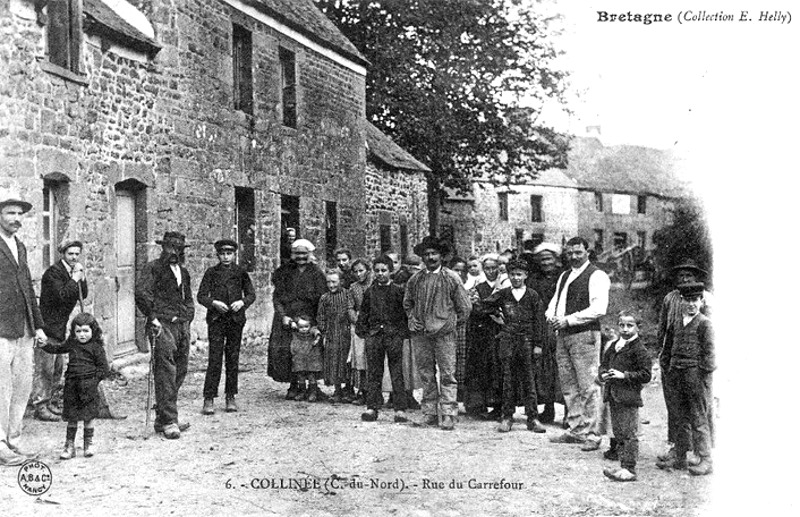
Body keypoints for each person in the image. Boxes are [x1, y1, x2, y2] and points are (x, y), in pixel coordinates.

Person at [547, 236, 611, 451]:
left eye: (578, 253)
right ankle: (576, 429)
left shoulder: (597, 275)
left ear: (587, 252)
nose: (573, 257)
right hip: (563, 335)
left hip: (585, 335)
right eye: (570, 253)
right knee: (569, 385)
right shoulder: (565, 275)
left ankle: (593, 433)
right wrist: (552, 316)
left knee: (589, 385)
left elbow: (599, 309)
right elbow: (555, 301)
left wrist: (568, 319)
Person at [403, 236, 472, 430]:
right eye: (426, 254)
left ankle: (449, 413)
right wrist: (412, 318)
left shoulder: (451, 278)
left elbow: (465, 308)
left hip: (444, 334)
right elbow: (407, 303)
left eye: (434, 253)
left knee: (448, 374)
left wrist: (451, 324)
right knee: (426, 373)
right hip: (421, 334)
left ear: (441, 256)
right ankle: (430, 413)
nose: (430, 257)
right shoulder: (416, 279)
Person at [0, 191, 48, 465]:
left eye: (20, 214)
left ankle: (13, 441)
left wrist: (38, 326)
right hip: (1, 328)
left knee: (21, 387)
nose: (16, 219)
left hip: (24, 329)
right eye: (11, 213)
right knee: (1, 389)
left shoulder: (20, 246)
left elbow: (28, 288)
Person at [474, 260, 546, 433]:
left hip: (527, 341)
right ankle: (507, 416)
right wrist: (496, 316)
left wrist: (538, 344)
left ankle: (533, 417)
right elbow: (482, 306)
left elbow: (539, 322)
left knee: (529, 380)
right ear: (508, 275)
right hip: (508, 341)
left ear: (525, 275)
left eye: (519, 274)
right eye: (512, 274)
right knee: (508, 379)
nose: (516, 278)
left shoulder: (533, 295)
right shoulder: (504, 294)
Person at [135, 231, 195, 439]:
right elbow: (142, 294)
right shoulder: (153, 268)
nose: (173, 252)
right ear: (163, 249)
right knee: (166, 371)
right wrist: (152, 318)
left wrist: (188, 316)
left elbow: (188, 298)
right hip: (161, 324)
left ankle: (162, 416)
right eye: (169, 248)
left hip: (181, 326)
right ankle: (169, 420)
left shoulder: (183, 272)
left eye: (177, 249)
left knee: (181, 369)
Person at [656, 258, 712, 463]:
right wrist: (663, 355)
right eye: (681, 276)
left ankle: (702, 453)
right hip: (673, 361)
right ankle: (678, 450)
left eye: (689, 276)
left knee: (699, 411)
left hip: (696, 366)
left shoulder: (705, 300)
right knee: (676, 409)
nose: (685, 279)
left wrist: (704, 368)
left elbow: (711, 341)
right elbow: (664, 328)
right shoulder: (670, 298)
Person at [38, 313, 111, 459]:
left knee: (88, 416)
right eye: (78, 331)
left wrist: (93, 381)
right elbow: (57, 348)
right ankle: (69, 445)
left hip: (89, 386)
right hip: (72, 384)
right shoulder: (72, 344)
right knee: (72, 416)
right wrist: (45, 345)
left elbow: (104, 369)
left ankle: (88, 444)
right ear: (73, 332)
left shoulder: (96, 347)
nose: (82, 335)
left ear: (93, 331)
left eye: (85, 331)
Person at [197, 239, 256, 415]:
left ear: (234, 254)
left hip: (235, 320)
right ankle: (209, 398)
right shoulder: (211, 273)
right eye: (222, 254)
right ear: (218, 255)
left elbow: (251, 294)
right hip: (216, 320)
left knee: (232, 359)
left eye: (229, 253)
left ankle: (230, 396)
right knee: (214, 359)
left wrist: (242, 302)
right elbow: (201, 296)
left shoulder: (241, 272)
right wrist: (214, 303)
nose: (226, 257)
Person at [32, 240, 88, 422]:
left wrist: (82, 278)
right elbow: (63, 296)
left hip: (60, 327)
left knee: (57, 368)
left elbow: (83, 293)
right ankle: (40, 406)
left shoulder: (72, 271)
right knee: (45, 368)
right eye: (70, 254)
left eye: (77, 254)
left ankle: (51, 403)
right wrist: (74, 279)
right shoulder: (53, 273)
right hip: (48, 326)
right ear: (63, 254)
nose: (74, 257)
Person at [268, 239, 327, 400]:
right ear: (293, 255)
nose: (300, 257)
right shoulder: (284, 271)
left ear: (309, 255)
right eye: (297, 254)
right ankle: (294, 385)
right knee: (288, 351)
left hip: (309, 320)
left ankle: (312, 387)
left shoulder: (316, 273)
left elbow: (322, 298)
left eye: (304, 254)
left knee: (310, 352)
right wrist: (283, 316)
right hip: (287, 319)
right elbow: (277, 298)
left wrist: (316, 323)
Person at [598, 311, 652, 482]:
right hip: (613, 395)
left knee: (629, 433)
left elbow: (646, 374)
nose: (625, 329)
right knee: (619, 433)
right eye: (622, 325)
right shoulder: (614, 345)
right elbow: (603, 366)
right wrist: (603, 375)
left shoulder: (639, 349)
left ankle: (629, 468)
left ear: (637, 328)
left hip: (628, 397)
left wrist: (624, 375)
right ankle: (623, 465)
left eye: (630, 325)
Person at [356, 255, 409, 423]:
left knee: (397, 372)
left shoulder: (398, 291)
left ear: (390, 271)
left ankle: (400, 408)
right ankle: (372, 407)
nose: (380, 274)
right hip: (375, 336)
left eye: (384, 270)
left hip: (393, 336)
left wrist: (401, 333)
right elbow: (363, 314)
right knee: (374, 372)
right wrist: (364, 331)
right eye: (377, 271)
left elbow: (404, 315)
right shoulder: (370, 292)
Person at [525, 242, 565, 425]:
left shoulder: (564, 277)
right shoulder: (533, 280)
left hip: (560, 325)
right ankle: (548, 409)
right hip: (540, 327)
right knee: (543, 370)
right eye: (542, 260)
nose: (546, 263)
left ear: (556, 260)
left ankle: (568, 412)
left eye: (549, 258)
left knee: (562, 370)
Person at [464, 253, 504, 419]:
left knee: (497, 368)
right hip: (480, 333)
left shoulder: (503, 287)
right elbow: (474, 308)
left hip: (498, 332)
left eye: (494, 268)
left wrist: (489, 309)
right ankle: (478, 405)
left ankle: (497, 406)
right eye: (487, 268)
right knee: (479, 368)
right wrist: (491, 310)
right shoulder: (477, 287)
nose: (491, 271)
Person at [318, 269, 356, 403]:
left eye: (334, 282)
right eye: (328, 282)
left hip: (346, 333)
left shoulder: (347, 295)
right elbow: (321, 316)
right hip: (331, 333)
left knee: (346, 361)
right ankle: (337, 390)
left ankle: (348, 389)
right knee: (333, 362)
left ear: (341, 281)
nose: (331, 285)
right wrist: (323, 331)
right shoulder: (324, 298)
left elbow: (352, 310)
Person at [347, 258, 371, 405]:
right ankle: (362, 390)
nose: (358, 274)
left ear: (368, 271)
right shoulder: (353, 288)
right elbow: (350, 307)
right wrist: (356, 320)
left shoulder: (374, 285)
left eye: (361, 270)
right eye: (355, 271)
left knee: (372, 360)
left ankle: (375, 392)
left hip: (373, 325)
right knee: (360, 359)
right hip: (359, 326)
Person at [289, 314, 323, 402]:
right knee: (300, 376)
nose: (304, 329)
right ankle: (302, 392)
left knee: (311, 376)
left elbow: (317, 332)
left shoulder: (311, 331)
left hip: (310, 358)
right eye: (301, 327)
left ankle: (313, 392)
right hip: (300, 358)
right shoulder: (296, 334)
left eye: (306, 326)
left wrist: (316, 340)